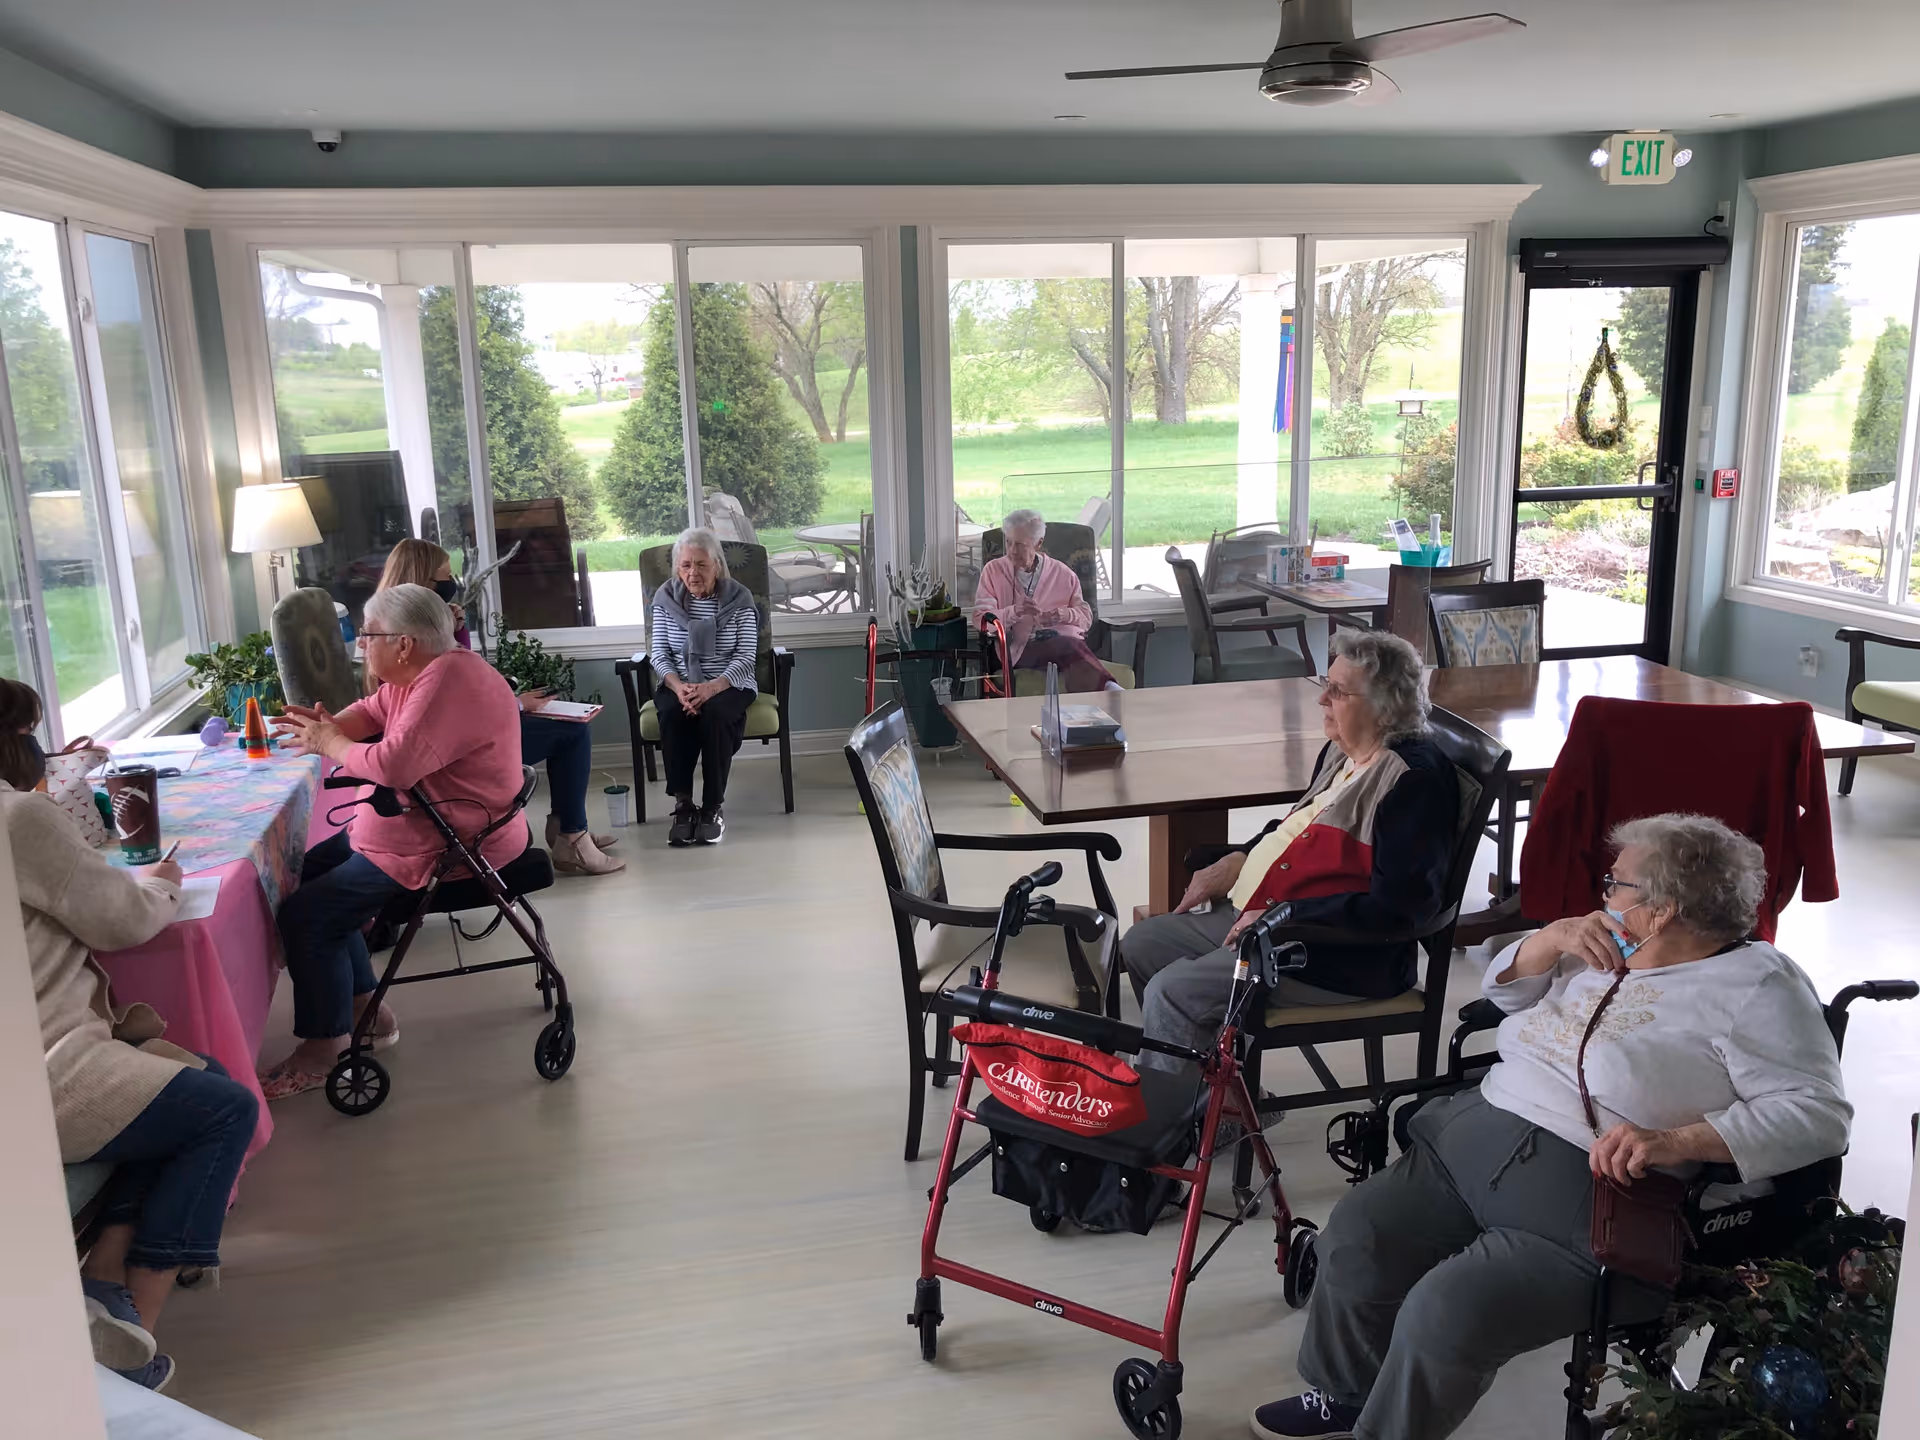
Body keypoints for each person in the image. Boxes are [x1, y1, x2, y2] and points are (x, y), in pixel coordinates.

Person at [1250, 814, 1851, 1440]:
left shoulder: (1757, 985)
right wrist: (1548, 941)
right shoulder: (1606, 943)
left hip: (1583, 1193)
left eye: (1615, 884)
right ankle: (1343, 1396)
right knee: (1359, 1232)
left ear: (1664, 909)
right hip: (1468, 1139)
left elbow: (1819, 1114)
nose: (1605, 895)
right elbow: (1506, 993)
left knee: (1448, 1310)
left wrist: (1675, 1141)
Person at [3, 678, 257, 1393]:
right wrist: (163, 882)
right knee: (223, 1110)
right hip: (44, 1068)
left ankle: (105, 1277)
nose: (40, 748)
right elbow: (121, 919)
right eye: (29, 734)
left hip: (46, 1055)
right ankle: (136, 1338)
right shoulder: (19, 817)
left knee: (192, 1076)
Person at [1122, 629, 1459, 1071]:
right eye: (1327, 685)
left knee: (1173, 990)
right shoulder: (1344, 752)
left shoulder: (1414, 783)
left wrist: (1286, 918)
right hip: (1266, 922)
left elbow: (1403, 908)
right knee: (1143, 943)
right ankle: (1213, 1092)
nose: (1323, 700)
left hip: (1330, 954)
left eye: (1337, 692)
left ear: (1385, 706)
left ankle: (1181, 1121)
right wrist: (1239, 858)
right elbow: (1297, 827)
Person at [260, 583, 528, 1099]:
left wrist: (330, 743)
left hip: (456, 842)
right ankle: (366, 1009)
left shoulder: (449, 680)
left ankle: (322, 1048)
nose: (361, 645)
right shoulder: (419, 674)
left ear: (403, 643)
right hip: (420, 827)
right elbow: (374, 709)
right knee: (305, 871)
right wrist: (332, 726)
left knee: (307, 916)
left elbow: (392, 764)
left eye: (368, 635)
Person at [375, 539, 622, 876]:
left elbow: (464, 678)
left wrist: (456, 631)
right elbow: (454, 704)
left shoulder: (400, 627)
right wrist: (515, 706)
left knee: (569, 729)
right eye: (444, 580)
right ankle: (571, 836)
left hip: (455, 740)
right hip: (454, 754)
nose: (452, 586)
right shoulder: (402, 640)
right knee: (572, 734)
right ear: (422, 583)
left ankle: (569, 830)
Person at [649, 527, 759, 847]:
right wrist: (679, 687)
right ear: (677, 568)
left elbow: (746, 656)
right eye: (686, 565)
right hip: (679, 682)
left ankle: (712, 807)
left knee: (715, 715)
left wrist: (710, 688)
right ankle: (683, 804)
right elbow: (659, 653)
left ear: (717, 566)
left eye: (701, 564)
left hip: (730, 682)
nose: (692, 572)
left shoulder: (739, 599)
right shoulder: (665, 598)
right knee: (671, 713)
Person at [971, 508, 1118, 693]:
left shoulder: (1063, 574)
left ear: (1038, 543)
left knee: (1066, 645)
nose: (1012, 551)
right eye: (1008, 542)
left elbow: (1085, 618)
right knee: (1067, 645)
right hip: (1019, 650)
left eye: (1020, 544)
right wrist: (1014, 611)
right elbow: (981, 619)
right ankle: (1110, 690)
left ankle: (1090, 708)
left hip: (1062, 645)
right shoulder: (993, 571)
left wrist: (1062, 615)